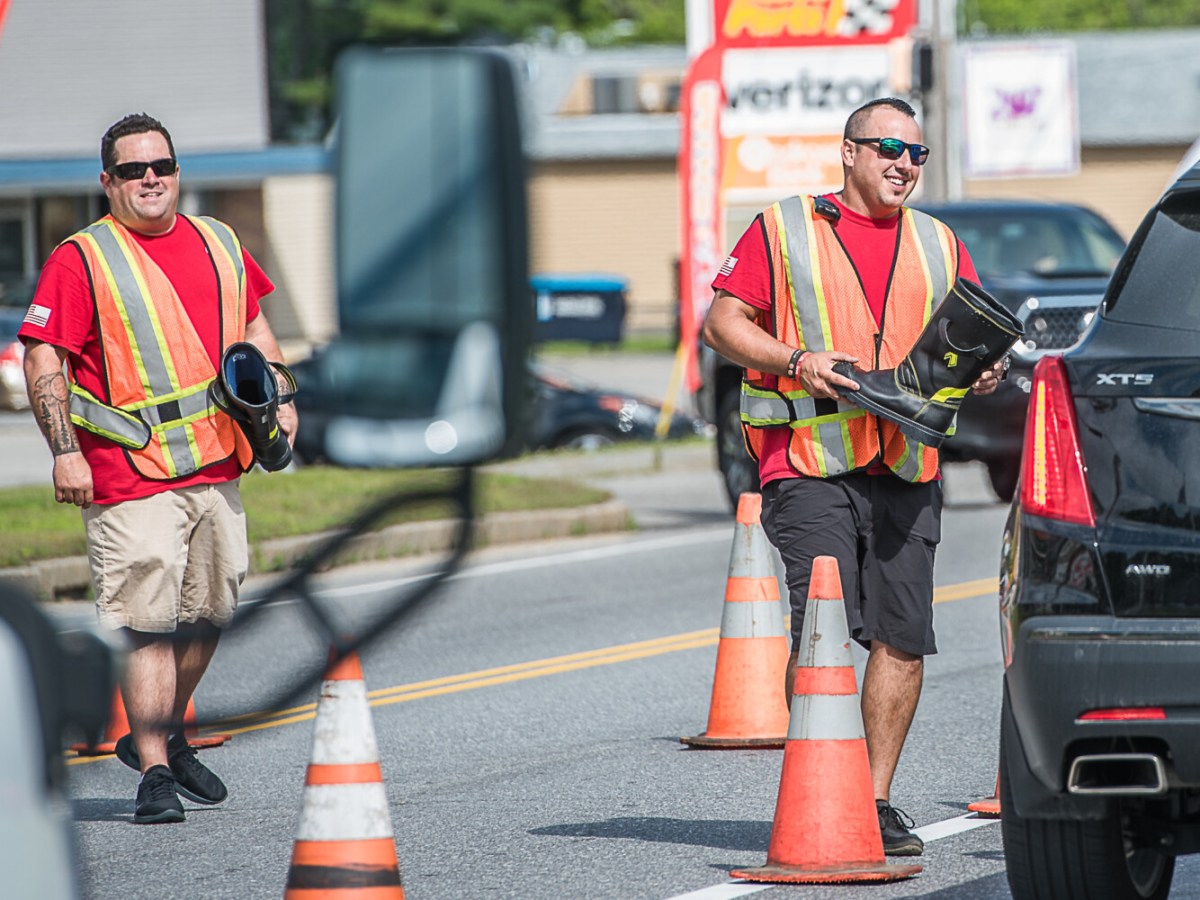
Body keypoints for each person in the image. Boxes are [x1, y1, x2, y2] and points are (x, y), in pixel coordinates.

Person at [702, 97, 1004, 856]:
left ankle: (871, 801)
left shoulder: (938, 242)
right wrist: (797, 360)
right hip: (809, 461)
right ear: (849, 151)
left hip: (905, 462)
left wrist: (983, 371)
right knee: (825, 630)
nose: (905, 164)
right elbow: (723, 324)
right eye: (889, 149)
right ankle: (821, 789)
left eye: (917, 153)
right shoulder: (785, 228)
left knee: (902, 637)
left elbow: (962, 343)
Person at [19, 113, 296, 825]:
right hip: (128, 471)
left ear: (177, 171)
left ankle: (164, 732)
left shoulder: (220, 240)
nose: (150, 179)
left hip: (217, 462)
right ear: (107, 181)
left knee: (210, 611)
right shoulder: (82, 258)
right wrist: (65, 450)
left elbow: (255, 326)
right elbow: (44, 356)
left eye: (161, 166)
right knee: (146, 621)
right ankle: (155, 774)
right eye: (133, 170)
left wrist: (283, 397)